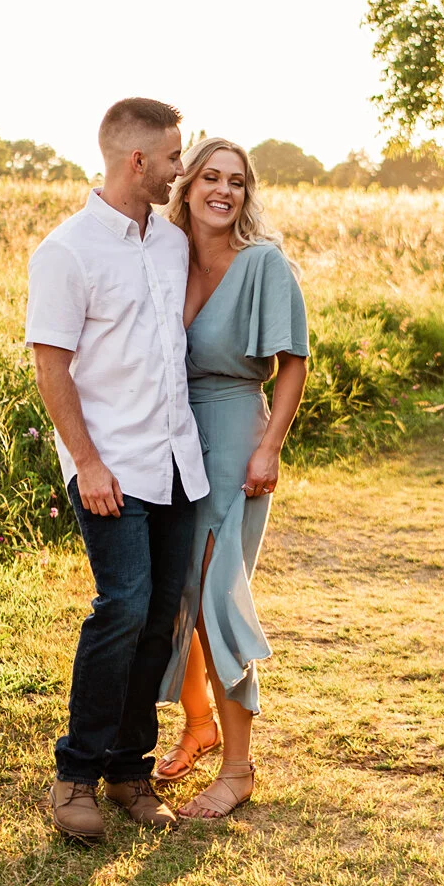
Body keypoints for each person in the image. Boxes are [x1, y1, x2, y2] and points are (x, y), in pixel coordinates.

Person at [25, 97, 208, 843]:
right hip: (112, 470)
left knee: (161, 616)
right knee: (122, 606)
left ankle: (130, 771)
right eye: (172, 158)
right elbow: (51, 365)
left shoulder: (170, 244)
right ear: (138, 161)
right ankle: (75, 776)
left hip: (176, 463)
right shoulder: (66, 251)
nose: (179, 170)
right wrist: (89, 463)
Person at [152, 136, 309, 819]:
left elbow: (294, 360)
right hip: (171, 439)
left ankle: (239, 768)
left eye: (237, 181)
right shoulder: (164, 258)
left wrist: (269, 448)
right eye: (210, 177)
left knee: (218, 596)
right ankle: (198, 724)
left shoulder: (263, 264)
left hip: (236, 433)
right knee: (176, 594)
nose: (224, 190)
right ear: (186, 186)